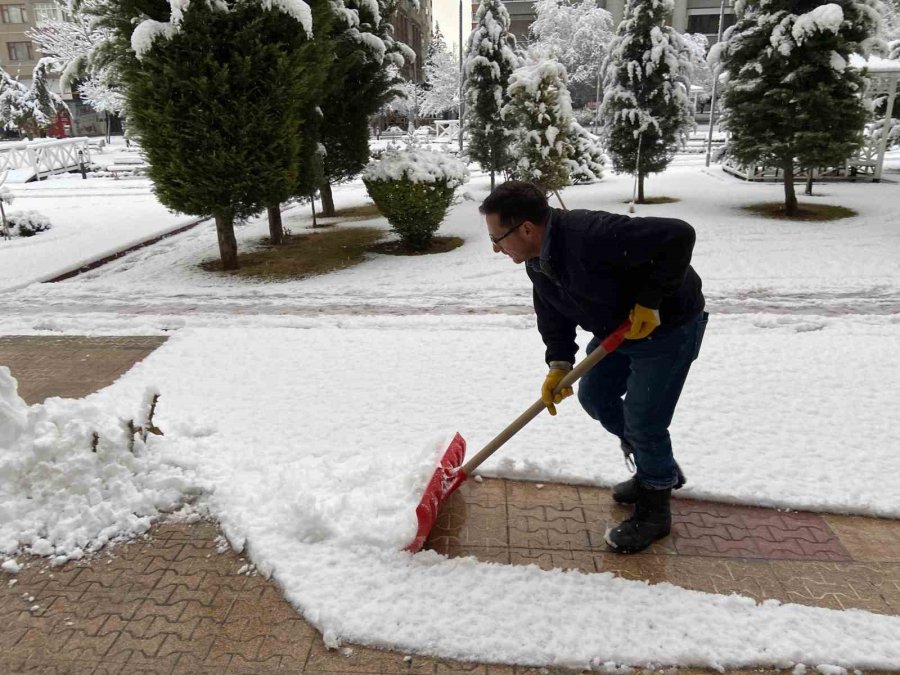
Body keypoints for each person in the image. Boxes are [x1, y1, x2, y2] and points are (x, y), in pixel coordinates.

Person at [480, 181, 707, 553]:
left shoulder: (592, 234)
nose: (495, 248)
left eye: (497, 237)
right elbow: (551, 311)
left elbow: (678, 235)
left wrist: (650, 301)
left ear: (525, 229)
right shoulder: (537, 261)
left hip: (668, 328)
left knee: (644, 420)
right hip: (616, 330)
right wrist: (559, 363)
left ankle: (655, 509)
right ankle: (658, 468)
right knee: (597, 396)